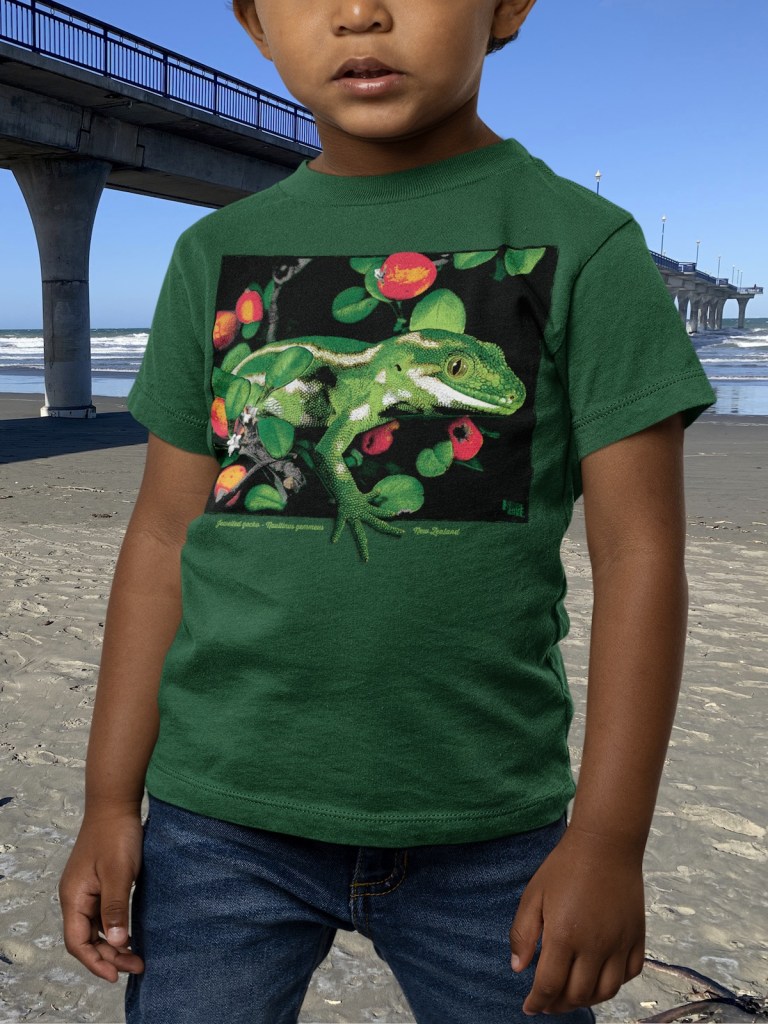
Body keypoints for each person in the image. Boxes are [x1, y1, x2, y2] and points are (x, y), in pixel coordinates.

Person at [58, 1, 717, 1022]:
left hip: (490, 825)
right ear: (254, 23)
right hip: (221, 816)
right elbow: (158, 538)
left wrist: (609, 839)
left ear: (506, 8)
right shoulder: (216, 255)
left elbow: (640, 557)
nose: (360, 11)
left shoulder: (588, 246)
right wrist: (108, 798)